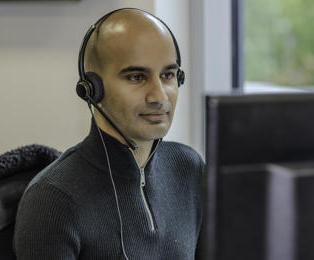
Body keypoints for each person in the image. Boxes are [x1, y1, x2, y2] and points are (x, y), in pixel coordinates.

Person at [13, 8, 204, 260]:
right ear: (92, 90)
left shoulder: (188, 169)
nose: (159, 96)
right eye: (136, 77)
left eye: (168, 75)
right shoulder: (52, 199)